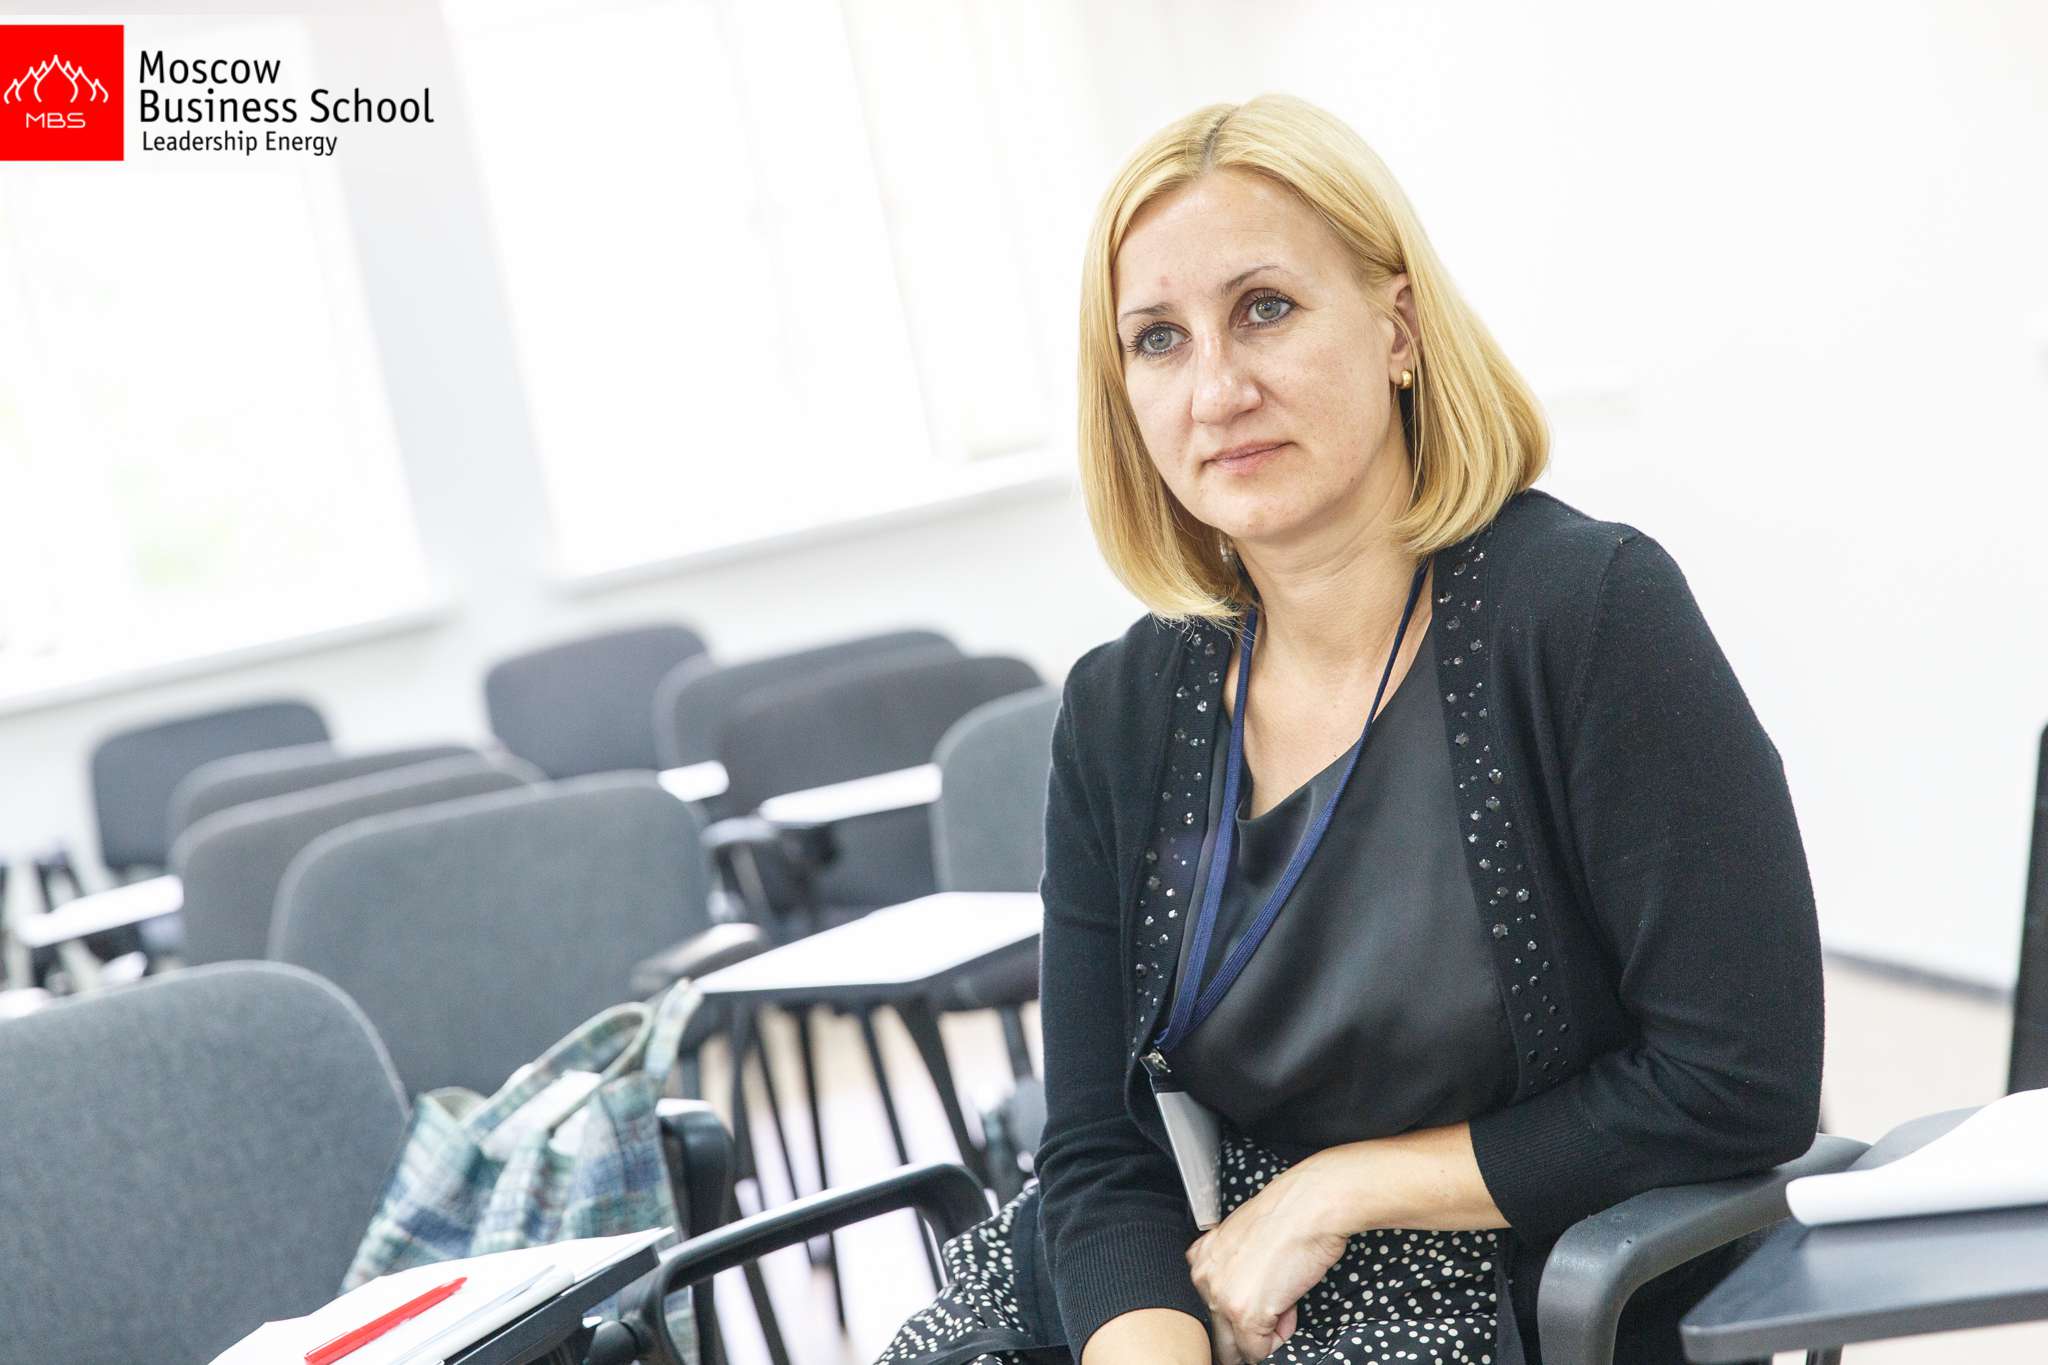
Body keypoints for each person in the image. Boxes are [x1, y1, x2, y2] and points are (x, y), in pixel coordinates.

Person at [876, 92, 1823, 1365]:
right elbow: (1101, 1150)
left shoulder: (1584, 612)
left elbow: (1736, 1083)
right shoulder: (1116, 709)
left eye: (1264, 308)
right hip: (1195, 1281)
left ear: (1398, 329)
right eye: (1156, 340)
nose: (1218, 389)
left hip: (1516, 1281)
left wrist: (1334, 1192)